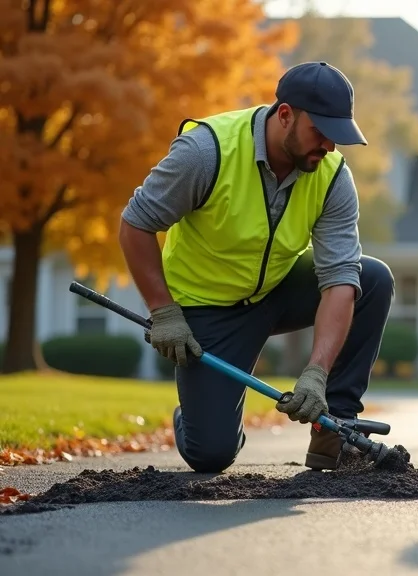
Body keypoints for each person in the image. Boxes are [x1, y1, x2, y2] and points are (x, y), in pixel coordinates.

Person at [117, 61, 394, 474]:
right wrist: (163, 310)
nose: (330, 148)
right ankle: (199, 418)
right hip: (206, 309)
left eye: (337, 137)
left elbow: (339, 279)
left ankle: (334, 433)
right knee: (210, 454)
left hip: (277, 291)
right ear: (285, 115)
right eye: (320, 132)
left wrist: (316, 373)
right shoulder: (206, 151)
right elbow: (136, 225)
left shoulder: (331, 175)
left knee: (370, 279)